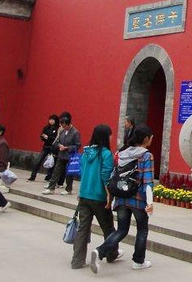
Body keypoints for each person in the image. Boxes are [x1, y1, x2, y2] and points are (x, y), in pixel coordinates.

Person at [91, 124, 154, 273]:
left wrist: (111, 196)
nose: (152, 139)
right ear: (146, 138)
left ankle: (100, 251)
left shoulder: (122, 153)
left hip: (121, 198)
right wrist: (150, 202)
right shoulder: (146, 155)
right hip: (138, 199)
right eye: (151, 137)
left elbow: (114, 175)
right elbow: (148, 181)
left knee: (121, 230)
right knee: (142, 229)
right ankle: (138, 261)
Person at [71, 124, 122, 269]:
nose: (112, 137)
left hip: (84, 195)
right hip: (99, 196)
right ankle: (111, 254)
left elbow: (82, 173)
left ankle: (77, 261)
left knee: (83, 229)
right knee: (108, 228)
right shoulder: (106, 154)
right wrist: (109, 195)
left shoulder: (86, 152)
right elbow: (106, 176)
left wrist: (81, 192)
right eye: (110, 135)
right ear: (105, 136)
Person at [43, 114, 80, 195]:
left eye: (64, 126)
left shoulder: (75, 132)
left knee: (69, 173)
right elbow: (57, 141)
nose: (63, 127)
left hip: (70, 156)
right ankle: (51, 188)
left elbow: (77, 145)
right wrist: (59, 145)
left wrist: (67, 147)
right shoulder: (62, 131)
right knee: (56, 171)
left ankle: (68, 189)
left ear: (68, 124)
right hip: (61, 154)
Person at [27, 114, 59, 181]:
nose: (51, 121)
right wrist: (43, 137)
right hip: (46, 147)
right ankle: (33, 175)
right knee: (38, 161)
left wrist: (48, 137)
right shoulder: (46, 127)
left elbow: (56, 138)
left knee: (51, 162)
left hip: (53, 148)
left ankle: (48, 176)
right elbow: (42, 135)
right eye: (50, 119)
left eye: (53, 120)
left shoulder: (57, 129)